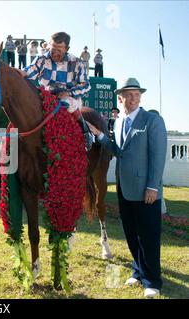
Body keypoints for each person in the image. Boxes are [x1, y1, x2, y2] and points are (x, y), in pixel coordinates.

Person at [86, 78, 167, 298]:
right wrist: (100, 135)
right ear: (119, 98)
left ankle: (152, 281)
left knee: (148, 236)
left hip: (146, 190)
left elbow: (158, 157)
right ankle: (138, 272)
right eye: (128, 95)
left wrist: (153, 186)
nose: (133, 98)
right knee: (131, 233)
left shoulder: (152, 120)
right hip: (125, 188)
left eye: (136, 94)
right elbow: (117, 150)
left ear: (140, 97)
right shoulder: (119, 122)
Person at [21, 32, 93, 150]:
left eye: (59, 49)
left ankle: (85, 132)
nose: (54, 52)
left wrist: (69, 93)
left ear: (67, 49)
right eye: (52, 47)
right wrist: (21, 72)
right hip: (45, 95)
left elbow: (86, 85)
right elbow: (30, 71)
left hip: (67, 97)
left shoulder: (77, 63)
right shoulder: (42, 59)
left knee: (69, 103)